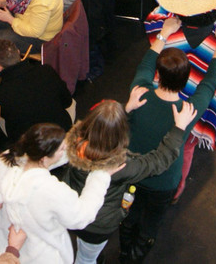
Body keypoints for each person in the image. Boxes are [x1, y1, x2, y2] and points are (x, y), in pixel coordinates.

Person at [118, 21, 216, 262]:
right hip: (164, 181)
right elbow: (209, 83)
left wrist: (164, 33)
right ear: (186, 79)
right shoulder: (187, 112)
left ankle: (124, 248)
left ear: (158, 75)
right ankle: (138, 253)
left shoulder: (138, 93)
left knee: (128, 212)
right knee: (152, 221)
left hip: (132, 171)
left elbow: (145, 63)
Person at [61, 96, 198, 264]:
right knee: (86, 259)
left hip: (71, 210)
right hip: (97, 226)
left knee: (82, 249)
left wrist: (125, 109)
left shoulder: (73, 144)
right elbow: (158, 161)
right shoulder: (119, 168)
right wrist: (179, 129)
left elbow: (102, 127)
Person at [0, 122, 113, 264]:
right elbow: (81, 216)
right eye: (61, 149)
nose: (65, 150)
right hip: (36, 255)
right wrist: (101, 175)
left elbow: (47, 158)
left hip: (2, 245)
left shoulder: (8, 159)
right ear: (45, 158)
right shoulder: (51, 191)